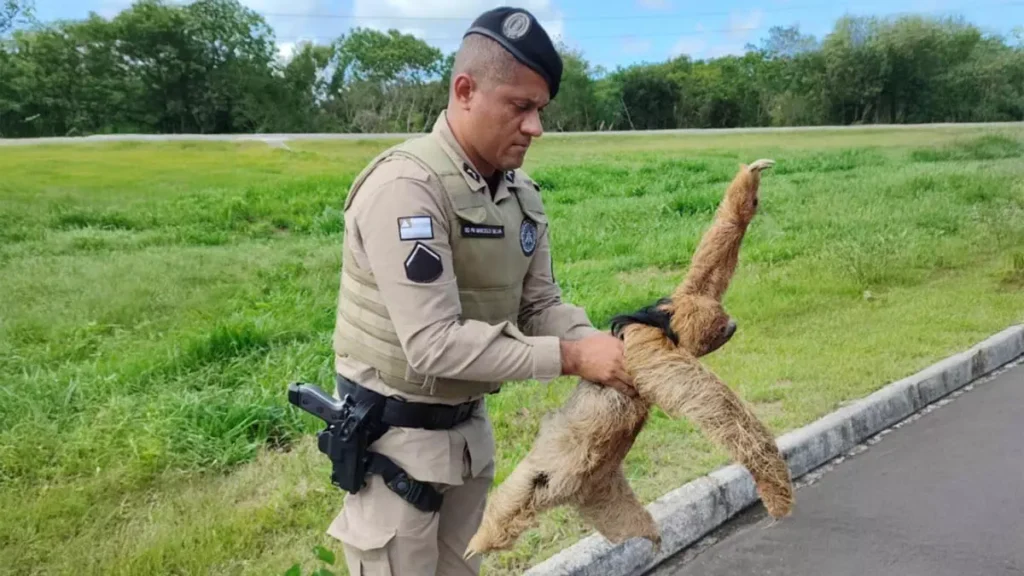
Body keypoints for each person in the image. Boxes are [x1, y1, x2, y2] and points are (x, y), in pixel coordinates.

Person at [323, 6, 635, 575]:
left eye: (539, 109)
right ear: (465, 91)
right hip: (396, 449)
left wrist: (603, 347)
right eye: (520, 107)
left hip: (465, 441)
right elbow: (433, 344)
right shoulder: (406, 188)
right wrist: (572, 358)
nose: (535, 127)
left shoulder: (520, 195)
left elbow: (538, 305)